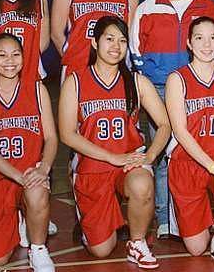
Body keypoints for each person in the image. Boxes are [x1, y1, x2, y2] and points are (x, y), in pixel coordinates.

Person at [58, 16, 170, 268]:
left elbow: (164, 124)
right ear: (95, 42)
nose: (116, 46)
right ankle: (98, 217)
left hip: (128, 163)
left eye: (122, 41)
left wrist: (150, 156)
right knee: (101, 251)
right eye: (109, 39)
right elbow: (67, 134)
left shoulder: (136, 82)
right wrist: (111, 157)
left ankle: (137, 241)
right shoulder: (75, 82)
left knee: (142, 183)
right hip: (92, 168)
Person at [130, 0, 214, 238]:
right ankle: (164, 221)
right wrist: (154, 79)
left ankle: (197, 216)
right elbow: (134, 54)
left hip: (195, 90)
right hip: (159, 90)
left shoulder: (208, 7)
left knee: (194, 151)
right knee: (161, 152)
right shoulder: (147, 8)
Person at [0, 33, 58, 272]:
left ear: (24, 58)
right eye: (2, 55)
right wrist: (19, 177)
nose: (10, 60)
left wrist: (43, 168)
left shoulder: (37, 91)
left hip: (30, 173)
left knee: (37, 189)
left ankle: (38, 249)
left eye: (16, 54)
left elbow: (51, 138)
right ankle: (21, 220)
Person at [165, 17, 214, 264]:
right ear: (189, 42)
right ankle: (201, 221)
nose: (207, 44)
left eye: (213, 37)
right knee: (197, 247)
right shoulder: (177, 79)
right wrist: (210, 165)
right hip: (186, 162)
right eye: (199, 38)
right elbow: (180, 131)